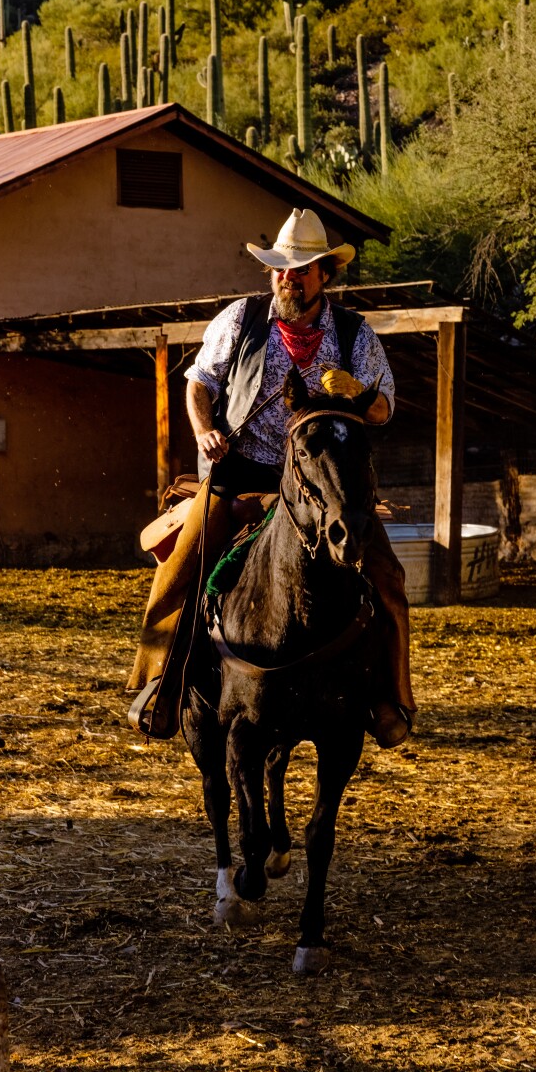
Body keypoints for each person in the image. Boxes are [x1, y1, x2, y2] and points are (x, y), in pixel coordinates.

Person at [126, 207, 415, 747]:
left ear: (324, 275)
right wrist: (205, 431)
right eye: (281, 268)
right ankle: (159, 685)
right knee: (180, 570)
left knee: (389, 580)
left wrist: (357, 392)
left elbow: (385, 410)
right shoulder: (240, 320)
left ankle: (392, 698)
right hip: (238, 474)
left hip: (325, 487)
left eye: (300, 269)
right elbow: (198, 386)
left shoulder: (355, 334)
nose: (288, 277)